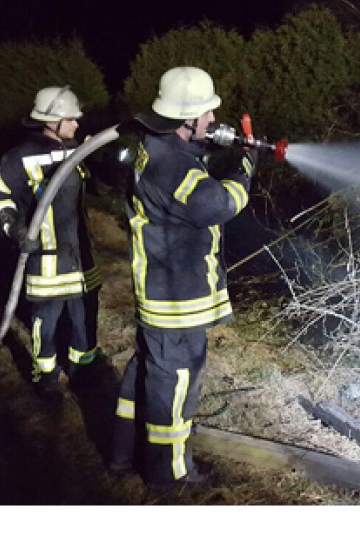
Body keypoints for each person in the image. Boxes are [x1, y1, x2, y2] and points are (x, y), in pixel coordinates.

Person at [111, 67, 257, 488]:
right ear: (185, 121)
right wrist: (246, 168)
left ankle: (123, 453)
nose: (213, 121)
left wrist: (219, 155)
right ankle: (170, 475)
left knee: (146, 372)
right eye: (207, 115)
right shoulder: (171, 165)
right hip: (176, 299)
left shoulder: (160, 150)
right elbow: (217, 204)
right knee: (174, 387)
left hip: (161, 290)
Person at [0, 86, 101, 396]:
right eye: (70, 119)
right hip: (46, 255)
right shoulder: (19, 158)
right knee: (46, 319)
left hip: (81, 255)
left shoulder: (77, 149)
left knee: (84, 315)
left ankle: (83, 369)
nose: (77, 124)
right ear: (51, 121)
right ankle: (45, 374)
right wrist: (13, 229)